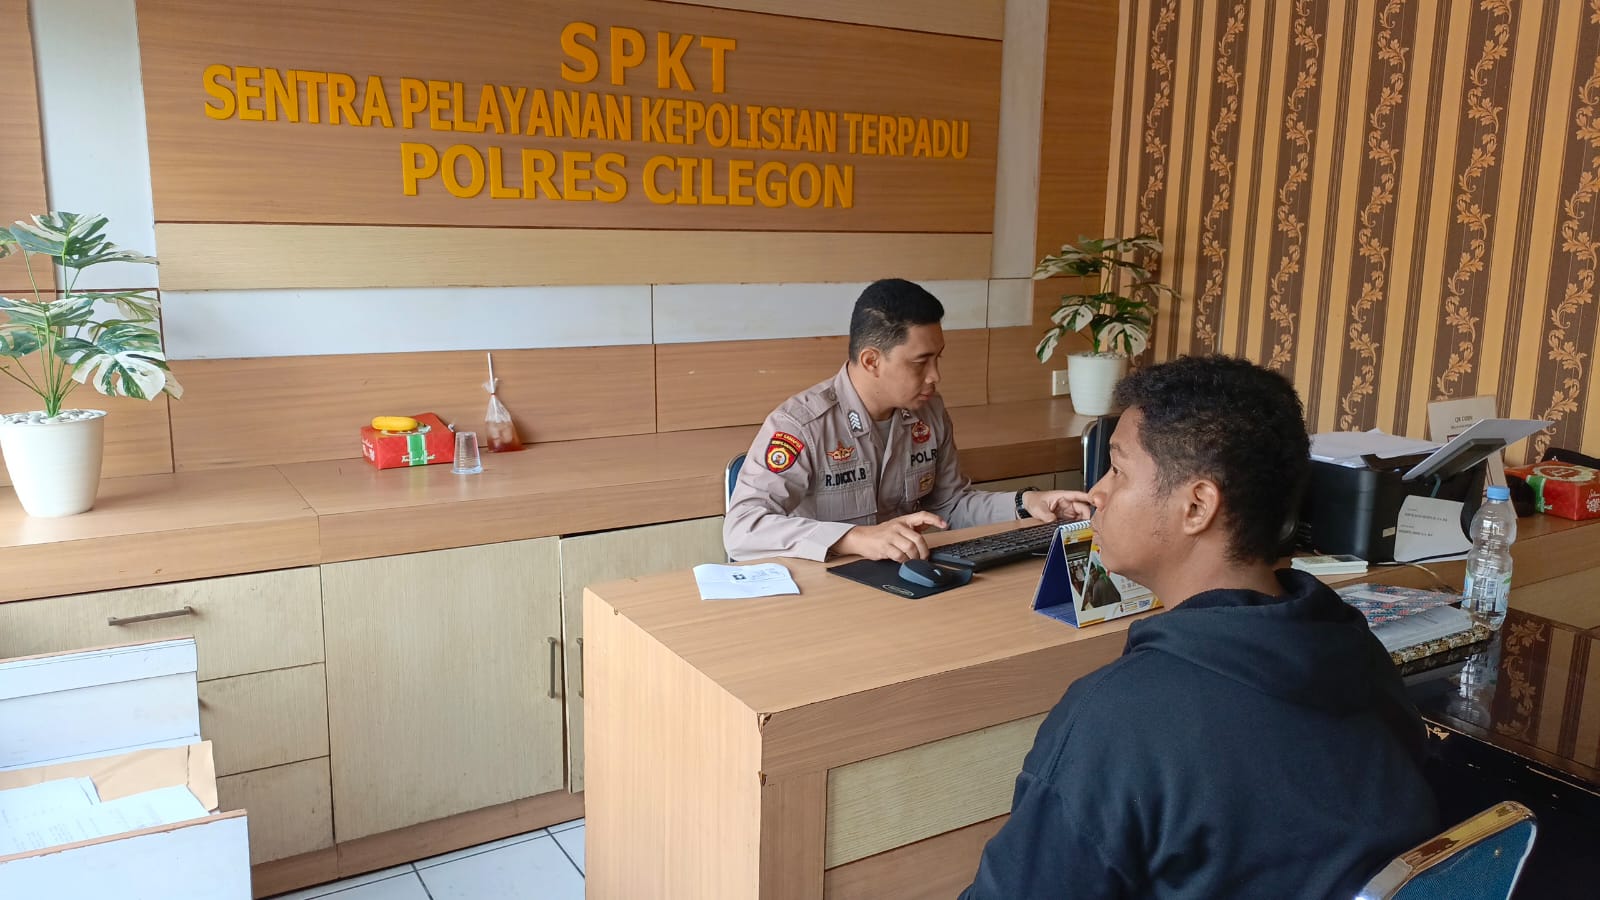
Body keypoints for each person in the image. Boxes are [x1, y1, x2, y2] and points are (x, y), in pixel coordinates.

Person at [961, 355, 1438, 899]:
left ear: (1196, 507)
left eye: (1117, 470)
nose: (1097, 493)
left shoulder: (1117, 720)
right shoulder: (1356, 648)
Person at [723, 279, 1093, 562]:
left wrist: (1025, 502)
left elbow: (950, 507)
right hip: (828, 592)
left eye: (938, 358)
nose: (935, 376)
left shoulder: (928, 413)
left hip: (907, 580)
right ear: (872, 361)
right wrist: (853, 538)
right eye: (920, 363)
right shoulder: (801, 425)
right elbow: (742, 529)